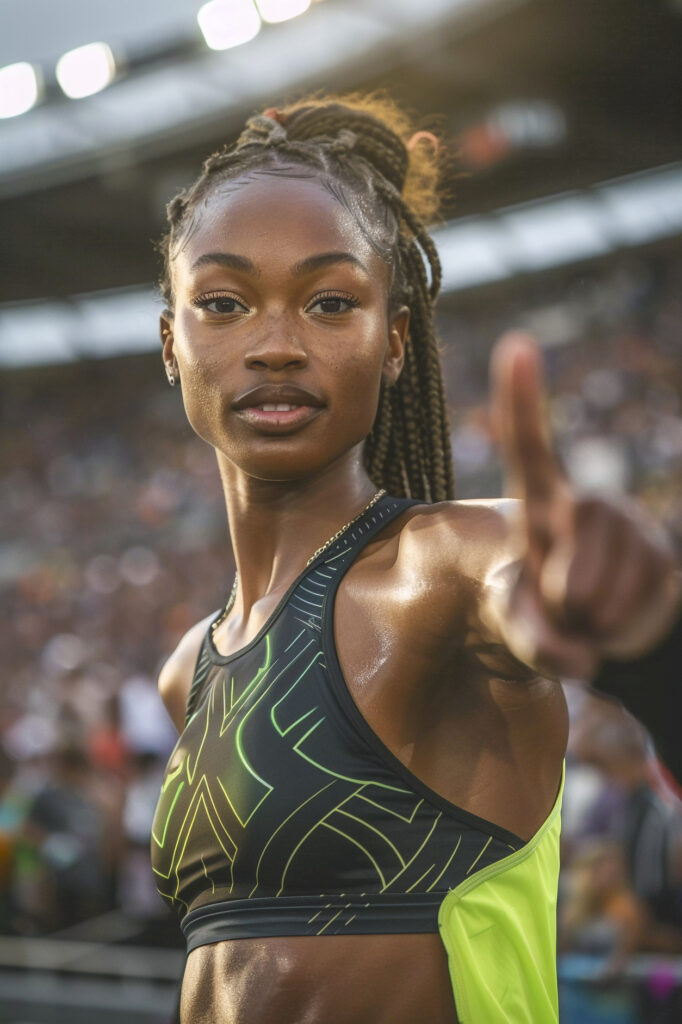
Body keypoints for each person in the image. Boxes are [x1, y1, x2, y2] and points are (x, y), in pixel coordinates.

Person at [150, 94, 681, 1024]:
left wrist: (653, 637)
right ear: (171, 342)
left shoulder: (446, 571)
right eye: (224, 303)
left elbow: (525, 587)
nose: (276, 345)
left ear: (393, 340)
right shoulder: (186, 672)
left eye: (330, 301)